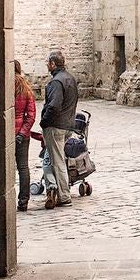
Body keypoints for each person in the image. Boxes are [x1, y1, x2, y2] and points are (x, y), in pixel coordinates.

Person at [40, 50, 79, 209]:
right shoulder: (71, 78)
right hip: (67, 124)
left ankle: (64, 196)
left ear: (53, 64)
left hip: (56, 126)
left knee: (58, 162)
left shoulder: (56, 82)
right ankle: (52, 188)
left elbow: (54, 106)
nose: (47, 65)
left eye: (48, 63)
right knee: (51, 159)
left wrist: (44, 122)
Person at [14, 60, 36, 211]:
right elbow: (31, 115)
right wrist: (22, 133)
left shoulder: (4, 85)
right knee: (23, 167)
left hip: (9, 132)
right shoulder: (26, 88)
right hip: (22, 133)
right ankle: (23, 201)